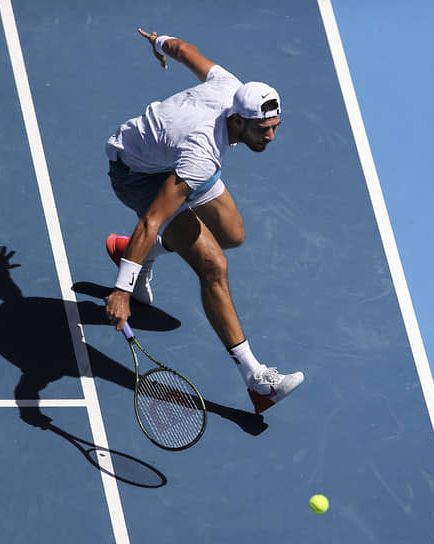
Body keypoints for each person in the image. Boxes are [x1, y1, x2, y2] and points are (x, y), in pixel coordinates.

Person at [103, 28, 303, 414]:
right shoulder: (202, 155)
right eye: (264, 130)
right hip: (136, 173)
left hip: (170, 156)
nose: (272, 136)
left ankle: (132, 253)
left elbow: (184, 50)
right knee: (213, 264)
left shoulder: (231, 87)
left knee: (232, 234)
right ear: (239, 122)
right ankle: (257, 381)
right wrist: (122, 290)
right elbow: (151, 219)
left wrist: (160, 43)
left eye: (276, 126)